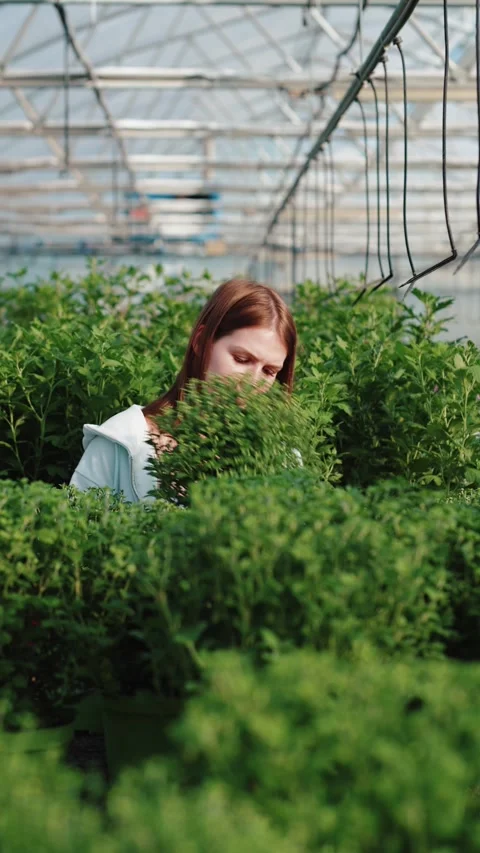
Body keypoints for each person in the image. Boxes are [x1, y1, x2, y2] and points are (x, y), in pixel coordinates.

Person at [69, 277, 297, 502]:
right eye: (241, 359)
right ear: (201, 341)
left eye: (269, 371)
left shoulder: (281, 457)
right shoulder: (121, 442)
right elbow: (75, 532)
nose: (252, 383)